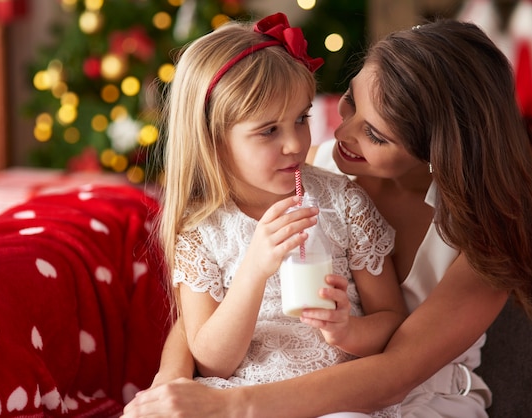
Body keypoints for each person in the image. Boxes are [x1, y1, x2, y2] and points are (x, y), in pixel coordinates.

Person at [123, 18, 532, 418]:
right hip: (269, 388)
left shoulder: (488, 248)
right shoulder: (312, 172)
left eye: (375, 134)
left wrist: (228, 406)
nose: (341, 133)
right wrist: (171, 381)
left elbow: (391, 376)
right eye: (350, 102)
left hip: (394, 398)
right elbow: (212, 292)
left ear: (439, 154)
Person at [139, 12, 407, 418]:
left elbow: (391, 319)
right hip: (237, 399)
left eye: (301, 119)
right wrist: (253, 269)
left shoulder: (342, 201)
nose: (294, 144)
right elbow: (213, 361)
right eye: (268, 131)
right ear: (213, 141)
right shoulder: (203, 231)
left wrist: (347, 330)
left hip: (333, 398)